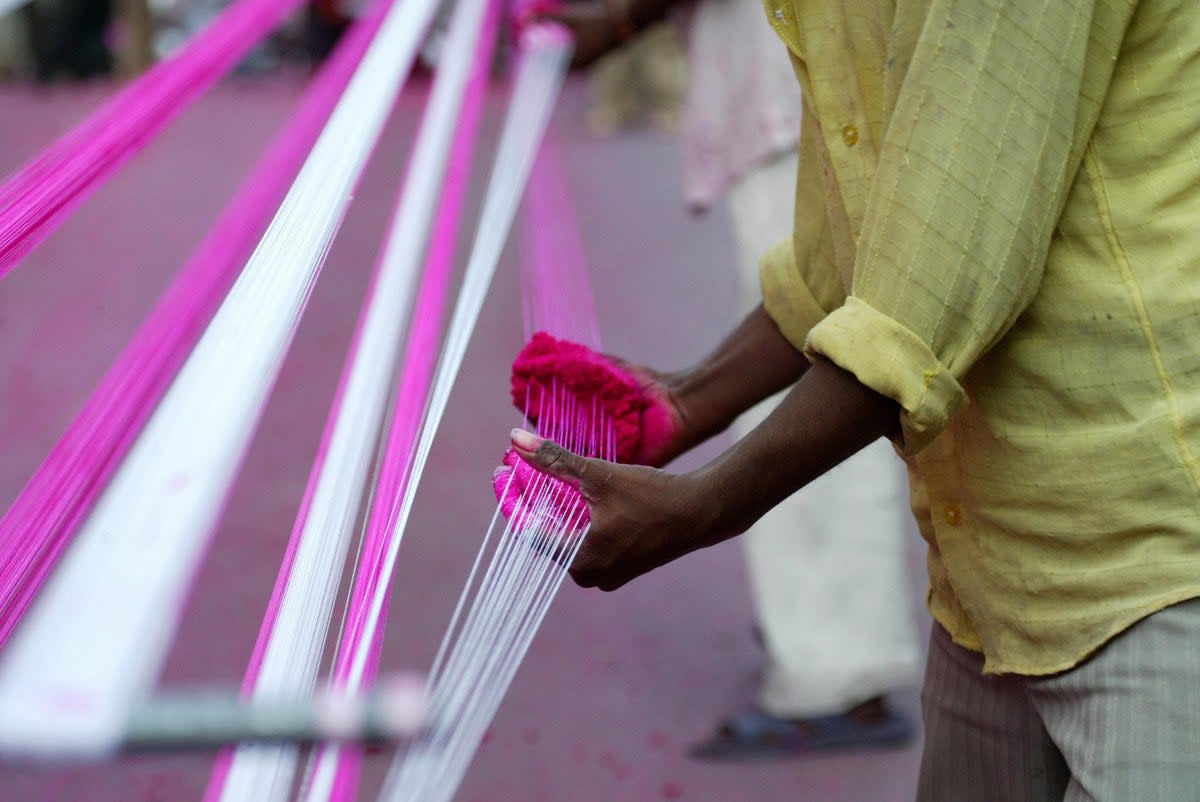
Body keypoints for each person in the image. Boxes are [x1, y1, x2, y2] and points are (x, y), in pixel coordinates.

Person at [515, 0, 1200, 798]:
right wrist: (684, 403)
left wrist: (704, 505)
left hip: (1147, 557)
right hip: (989, 574)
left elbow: (927, 282)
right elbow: (851, 249)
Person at [541, 0, 920, 760]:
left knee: (828, 368)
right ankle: (821, 638)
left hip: (809, 95)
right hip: (806, 87)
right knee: (817, 340)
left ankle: (837, 666)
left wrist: (610, 25)